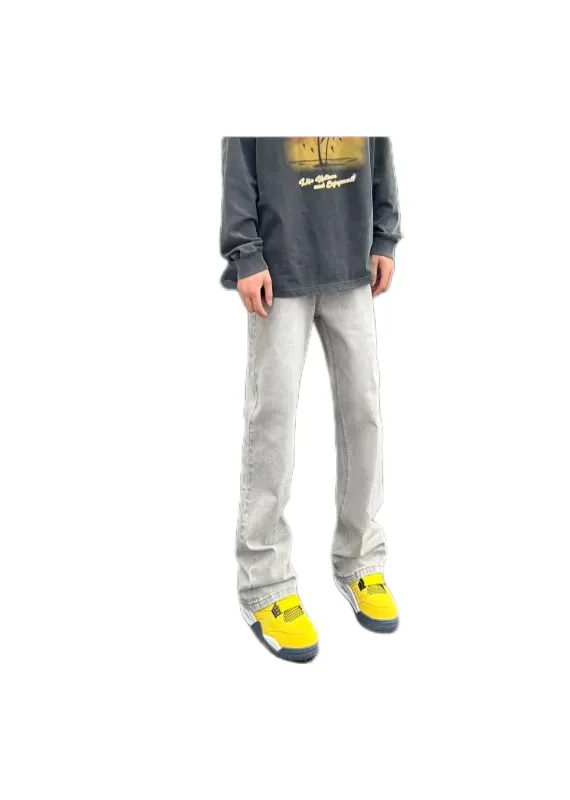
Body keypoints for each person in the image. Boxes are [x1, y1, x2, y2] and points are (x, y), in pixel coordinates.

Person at [220, 137, 402, 662]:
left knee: (364, 413)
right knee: (272, 419)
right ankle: (264, 584)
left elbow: (379, 147)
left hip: (351, 258)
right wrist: (246, 251)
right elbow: (239, 156)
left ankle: (360, 559)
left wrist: (384, 235)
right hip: (279, 268)